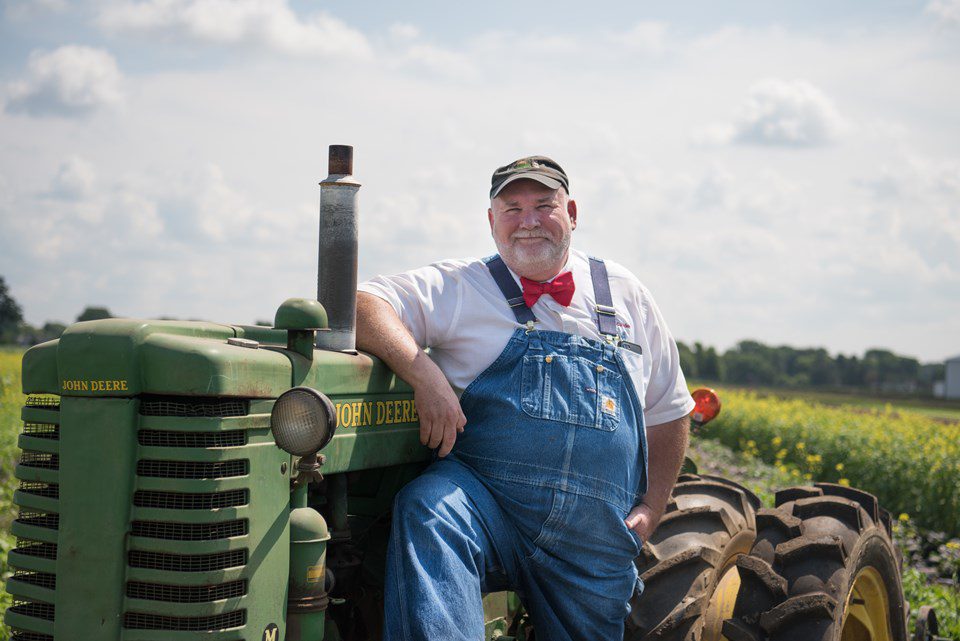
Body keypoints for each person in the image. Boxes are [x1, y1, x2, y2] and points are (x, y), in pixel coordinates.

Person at [356, 155, 695, 641]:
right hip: (486, 500)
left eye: (543, 205)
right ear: (491, 221)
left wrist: (655, 504)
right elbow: (363, 302)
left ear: (572, 213)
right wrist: (422, 372)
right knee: (428, 507)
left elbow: (669, 409)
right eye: (511, 208)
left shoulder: (625, 292)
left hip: (592, 535)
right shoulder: (461, 286)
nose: (528, 221)